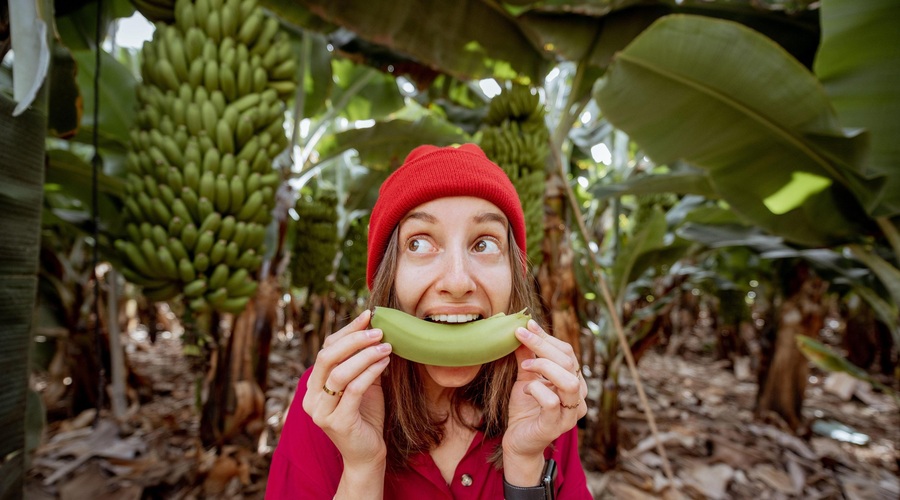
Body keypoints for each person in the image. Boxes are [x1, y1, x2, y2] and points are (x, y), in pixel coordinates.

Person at [266, 144, 591, 499]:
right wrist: (361, 468)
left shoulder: (545, 396)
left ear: (514, 274)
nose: (457, 282)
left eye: (484, 244)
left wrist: (526, 464)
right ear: (387, 277)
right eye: (419, 244)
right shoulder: (330, 399)